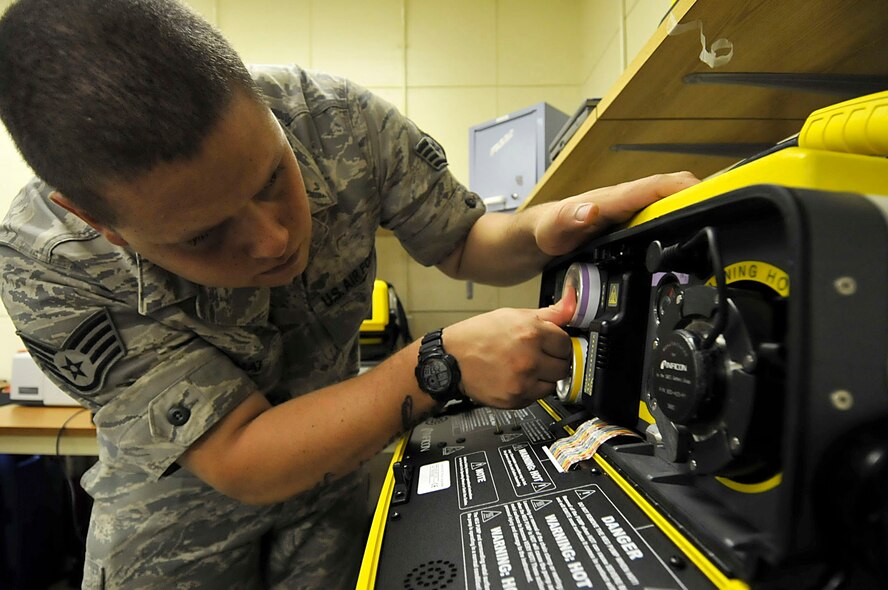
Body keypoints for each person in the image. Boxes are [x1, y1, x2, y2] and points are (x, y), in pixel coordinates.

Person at [0, 0, 697, 587]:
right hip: (176, 527)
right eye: (204, 236)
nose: (273, 239)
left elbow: (461, 240)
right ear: (100, 223)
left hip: (337, 484)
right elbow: (239, 457)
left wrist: (559, 223)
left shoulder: (334, 118)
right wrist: (438, 363)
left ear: (252, 94)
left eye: (273, 175)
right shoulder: (46, 257)